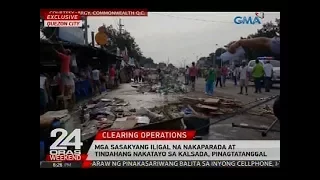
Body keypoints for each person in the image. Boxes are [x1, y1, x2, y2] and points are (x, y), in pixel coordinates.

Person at [227, 37, 280, 119]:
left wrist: (240, 43)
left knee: (259, 85)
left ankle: (256, 90)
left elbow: (264, 42)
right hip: (262, 76)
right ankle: (257, 90)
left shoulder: (257, 65)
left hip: (257, 76)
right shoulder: (262, 65)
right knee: (260, 84)